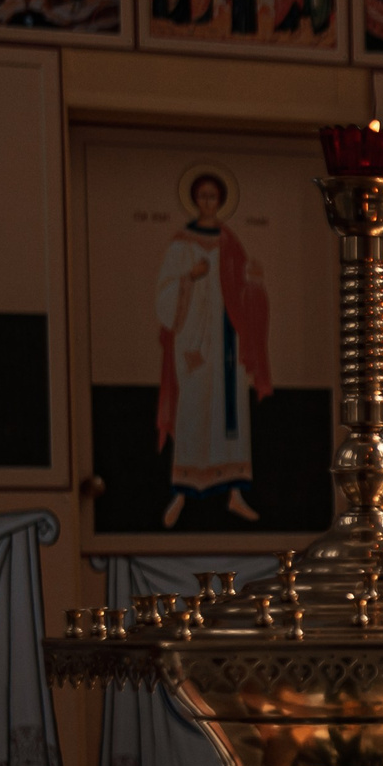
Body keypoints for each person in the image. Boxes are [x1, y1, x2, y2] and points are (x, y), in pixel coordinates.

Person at [153, 170, 271, 526]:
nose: (207, 202)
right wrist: (190, 275)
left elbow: (241, 291)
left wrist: (253, 282)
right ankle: (181, 493)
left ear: (219, 201)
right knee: (192, 409)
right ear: (195, 200)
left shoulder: (230, 241)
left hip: (227, 339)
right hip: (192, 340)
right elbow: (164, 294)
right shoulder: (181, 243)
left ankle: (234, 493)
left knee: (229, 414)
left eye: (212, 197)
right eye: (202, 196)